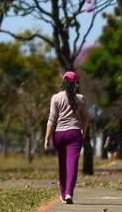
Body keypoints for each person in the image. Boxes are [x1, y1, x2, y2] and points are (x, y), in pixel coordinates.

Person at [44, 71, 88, 205]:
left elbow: (52, 119)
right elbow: (85, 120)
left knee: (62, 166)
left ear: (63, 82)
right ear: (76, 84)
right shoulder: (81, 99)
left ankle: (63, 195)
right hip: (74, 134)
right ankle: (69, 192)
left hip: (59, 135)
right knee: (72, 165)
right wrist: (83, 134)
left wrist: (47, 138)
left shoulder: (56, 98)